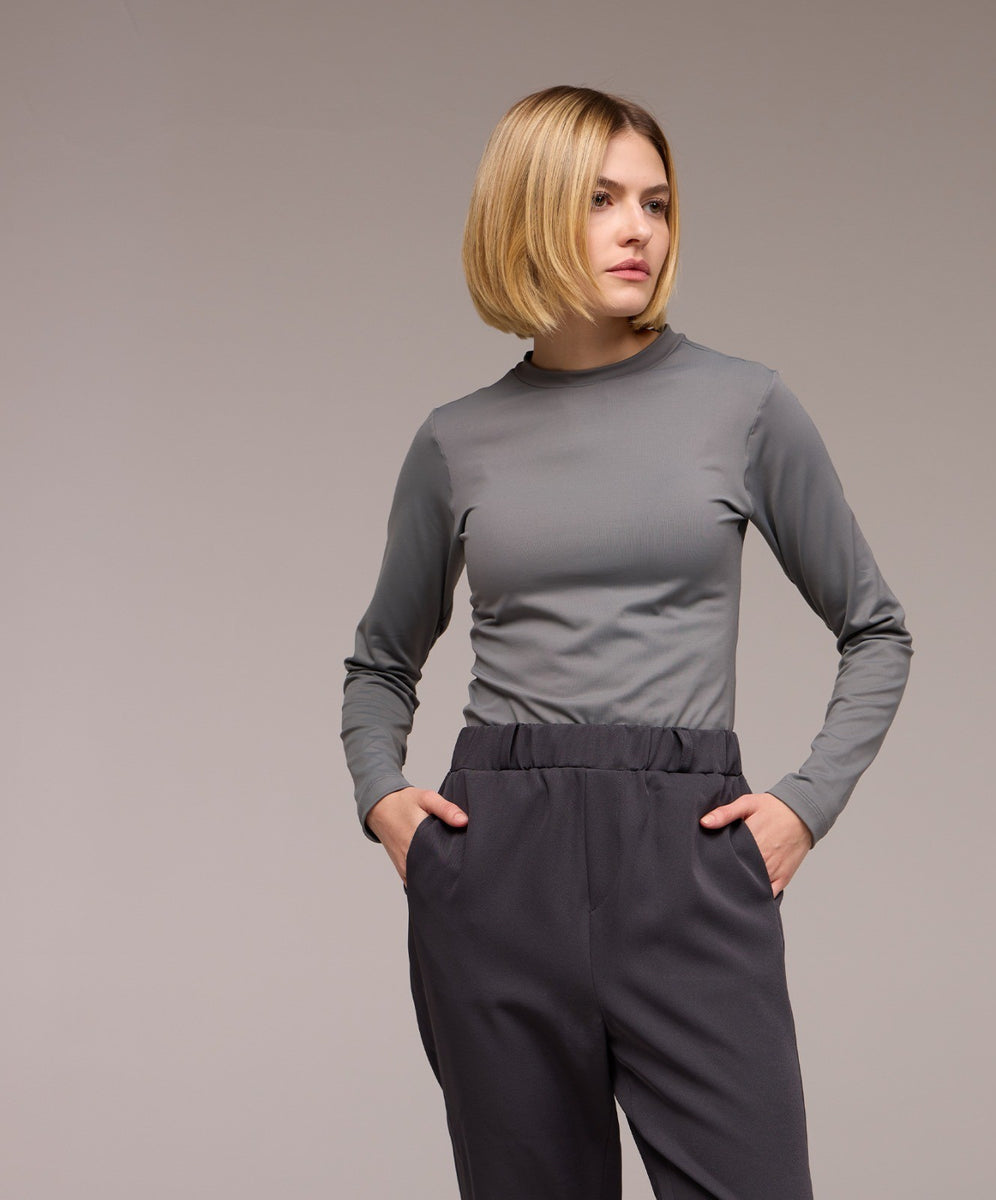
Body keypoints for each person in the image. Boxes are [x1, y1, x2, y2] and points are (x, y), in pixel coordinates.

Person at [340, 84, 914, 1200]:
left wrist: (803, 807)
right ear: (528, 211)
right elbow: (380, 663)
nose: (638, 229)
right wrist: (384, 799)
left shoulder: (744, 407)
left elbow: (875, 629)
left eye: (655, 202)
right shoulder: (457, 440)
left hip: (686, 857)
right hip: (498, 867)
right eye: (602, 199)